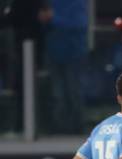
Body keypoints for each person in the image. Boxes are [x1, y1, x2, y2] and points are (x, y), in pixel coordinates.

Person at [0, 0, 52, 131]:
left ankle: (24, 126)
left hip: (27, 49)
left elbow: (13, 18)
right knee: (24, 88)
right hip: (29, 48)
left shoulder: (24, 4)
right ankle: (25, 125)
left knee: (25, 88)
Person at [45, 0, 88, 134]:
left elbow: (79, 23)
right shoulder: (51, 3)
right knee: (57, 93)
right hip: (54, 52)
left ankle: (76, 126)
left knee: (72, 91)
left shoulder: (77, 3)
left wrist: (53, 18)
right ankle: (59, 127)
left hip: (73, 53)